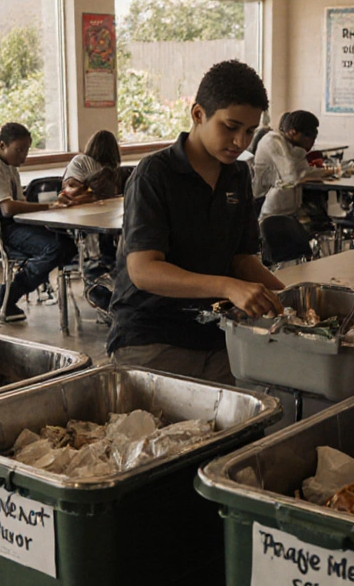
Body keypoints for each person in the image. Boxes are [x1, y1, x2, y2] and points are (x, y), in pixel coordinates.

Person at [108, 60, 284, 384]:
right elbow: (143, 270)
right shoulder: (154, 174)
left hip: (214, 334)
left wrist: (284, 296)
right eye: (230, 127)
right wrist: (228, 286)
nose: (241, 142)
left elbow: (241, 258)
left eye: (249, 131)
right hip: (152, 337)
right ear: (198, 114)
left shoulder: (238, 175)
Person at [0, 122, 77, 323]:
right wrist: (49, 207)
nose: (24, 155)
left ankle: (10, 291)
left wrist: (54, 205)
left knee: (67, 244)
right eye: (19, 150)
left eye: (27, 150)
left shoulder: (11, 167)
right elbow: (7, 208)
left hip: (13, 226)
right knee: (54, 248)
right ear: (1, 146)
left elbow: (20, 203)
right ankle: (6, 294)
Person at [60, 129, 121, 312]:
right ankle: (97, 285)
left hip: (96, 221)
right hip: (81, 225)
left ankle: (107, 284)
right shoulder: (82, 163)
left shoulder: (105, 171)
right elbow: (72, 194)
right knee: (97, 244)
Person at [257, 110, 328, 230]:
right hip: (270, 211)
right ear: (293, 132)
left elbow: (305, 170)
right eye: (309, 137)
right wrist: (303, 152)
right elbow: (294, 176)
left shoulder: (292, 145)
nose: (311, 144)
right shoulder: (273, 141)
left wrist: (330, 171)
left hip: (290, 210)